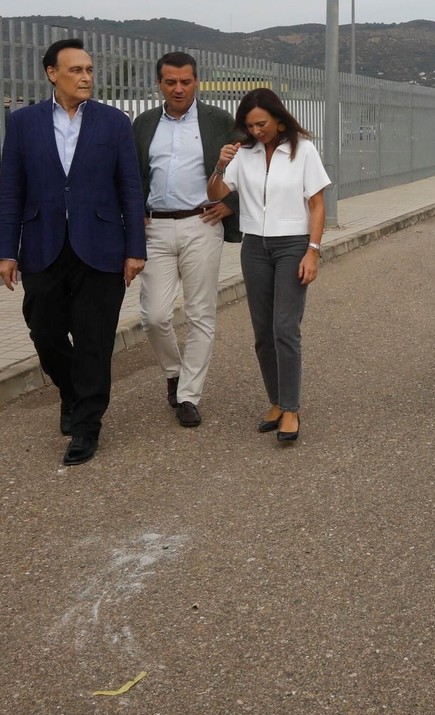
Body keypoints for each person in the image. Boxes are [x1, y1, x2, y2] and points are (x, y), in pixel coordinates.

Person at [0, 39, 146, 467]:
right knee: (44, 332)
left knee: (94, 340)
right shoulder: (24, 123)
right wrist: (5, 251)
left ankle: (86, 427)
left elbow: (130, 189)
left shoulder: (115, 122)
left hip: (101, 247)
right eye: (76, 70)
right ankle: (72, 393)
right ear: (51, 73)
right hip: (42, 245)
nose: (85, 77)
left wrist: (135, 248)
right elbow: (11, 191)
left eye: (89, 70)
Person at [207, 88, 330, 443]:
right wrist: (220, 165)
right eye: (249, 125)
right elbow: (215, 194)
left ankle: (291, 409)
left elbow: (318, 204)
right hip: (254, 247)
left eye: (261, 123)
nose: (256, 130)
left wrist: (313, 251)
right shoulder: (243, 154)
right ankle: (275, 401)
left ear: (278, 118)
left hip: (292, 244)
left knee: (285, 328)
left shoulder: (302, 150)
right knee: (263, 333)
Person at [132, 51, 242, 430]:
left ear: (197, 81)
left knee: (201, 313)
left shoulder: (219, 121)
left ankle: (189, 396)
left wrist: (231, 203)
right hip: (154, 228)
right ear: (159, 83)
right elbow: (131, 174)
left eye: (186, 81)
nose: (178, 88)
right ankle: (174, 372)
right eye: (170, 82)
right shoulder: (144, 124)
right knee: (154, 316)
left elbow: (248, 165)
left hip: (202, 223)